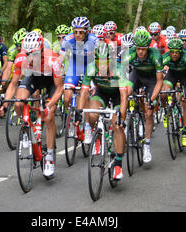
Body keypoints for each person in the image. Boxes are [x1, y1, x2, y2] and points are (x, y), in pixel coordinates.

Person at [75, 42, 132, 180]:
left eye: (104, 61)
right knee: (92, 112)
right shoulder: (90, 68)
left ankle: (118, 163)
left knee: (117, 125)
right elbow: (84, 91)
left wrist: (121, 118)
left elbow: (124, 96)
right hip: (102, 91)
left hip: (118, 93)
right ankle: (98, 135)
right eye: (98, 61)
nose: (101, 65)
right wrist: (79, 111)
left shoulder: (117, 69)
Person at [13, 31, 64, 179]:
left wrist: (49, 106)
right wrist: (3, 105)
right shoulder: (21, 59)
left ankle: (49, 155)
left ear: (41, 50)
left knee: (48, 117)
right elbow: (14, 83)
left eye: (34, 54)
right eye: (28, 53)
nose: (30, 57)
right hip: (34, 77)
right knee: (18, 103)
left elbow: (59, 88)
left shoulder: (54, 60)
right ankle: (26, 130)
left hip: (51, 83)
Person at [121, 30, 164, 163]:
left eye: (143, 49)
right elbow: (122, 75)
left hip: (152, 81)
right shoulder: (130, 54)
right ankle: (125, 120)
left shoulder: (155, 55)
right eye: (138, 48)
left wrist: (151, 100)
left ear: (148, 47)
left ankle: (147, 145)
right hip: (137, 76)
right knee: (124, 93)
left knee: (149, 112)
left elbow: (160, 81)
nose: (140, 52)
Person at [59, 17, 98, 143]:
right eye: (75, 31)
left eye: (81, 32)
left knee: (85, 94)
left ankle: (87, 127)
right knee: (67, 95)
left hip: (90, 67)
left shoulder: (94, 40)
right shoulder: (68, 39)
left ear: (87, 31)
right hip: (74, 66)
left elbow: (100, 59)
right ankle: (70, 118)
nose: (77, 35)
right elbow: (61, 57)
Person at [161, 38, 186, 147]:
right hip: (172, 74)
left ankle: (185, 131)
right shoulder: (165, 57)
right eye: (172, 52)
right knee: (163, 93)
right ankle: (167, 111)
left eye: (177, 52)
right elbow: (158, 72)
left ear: (181, 51)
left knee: (185, 101)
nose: (174, 54)